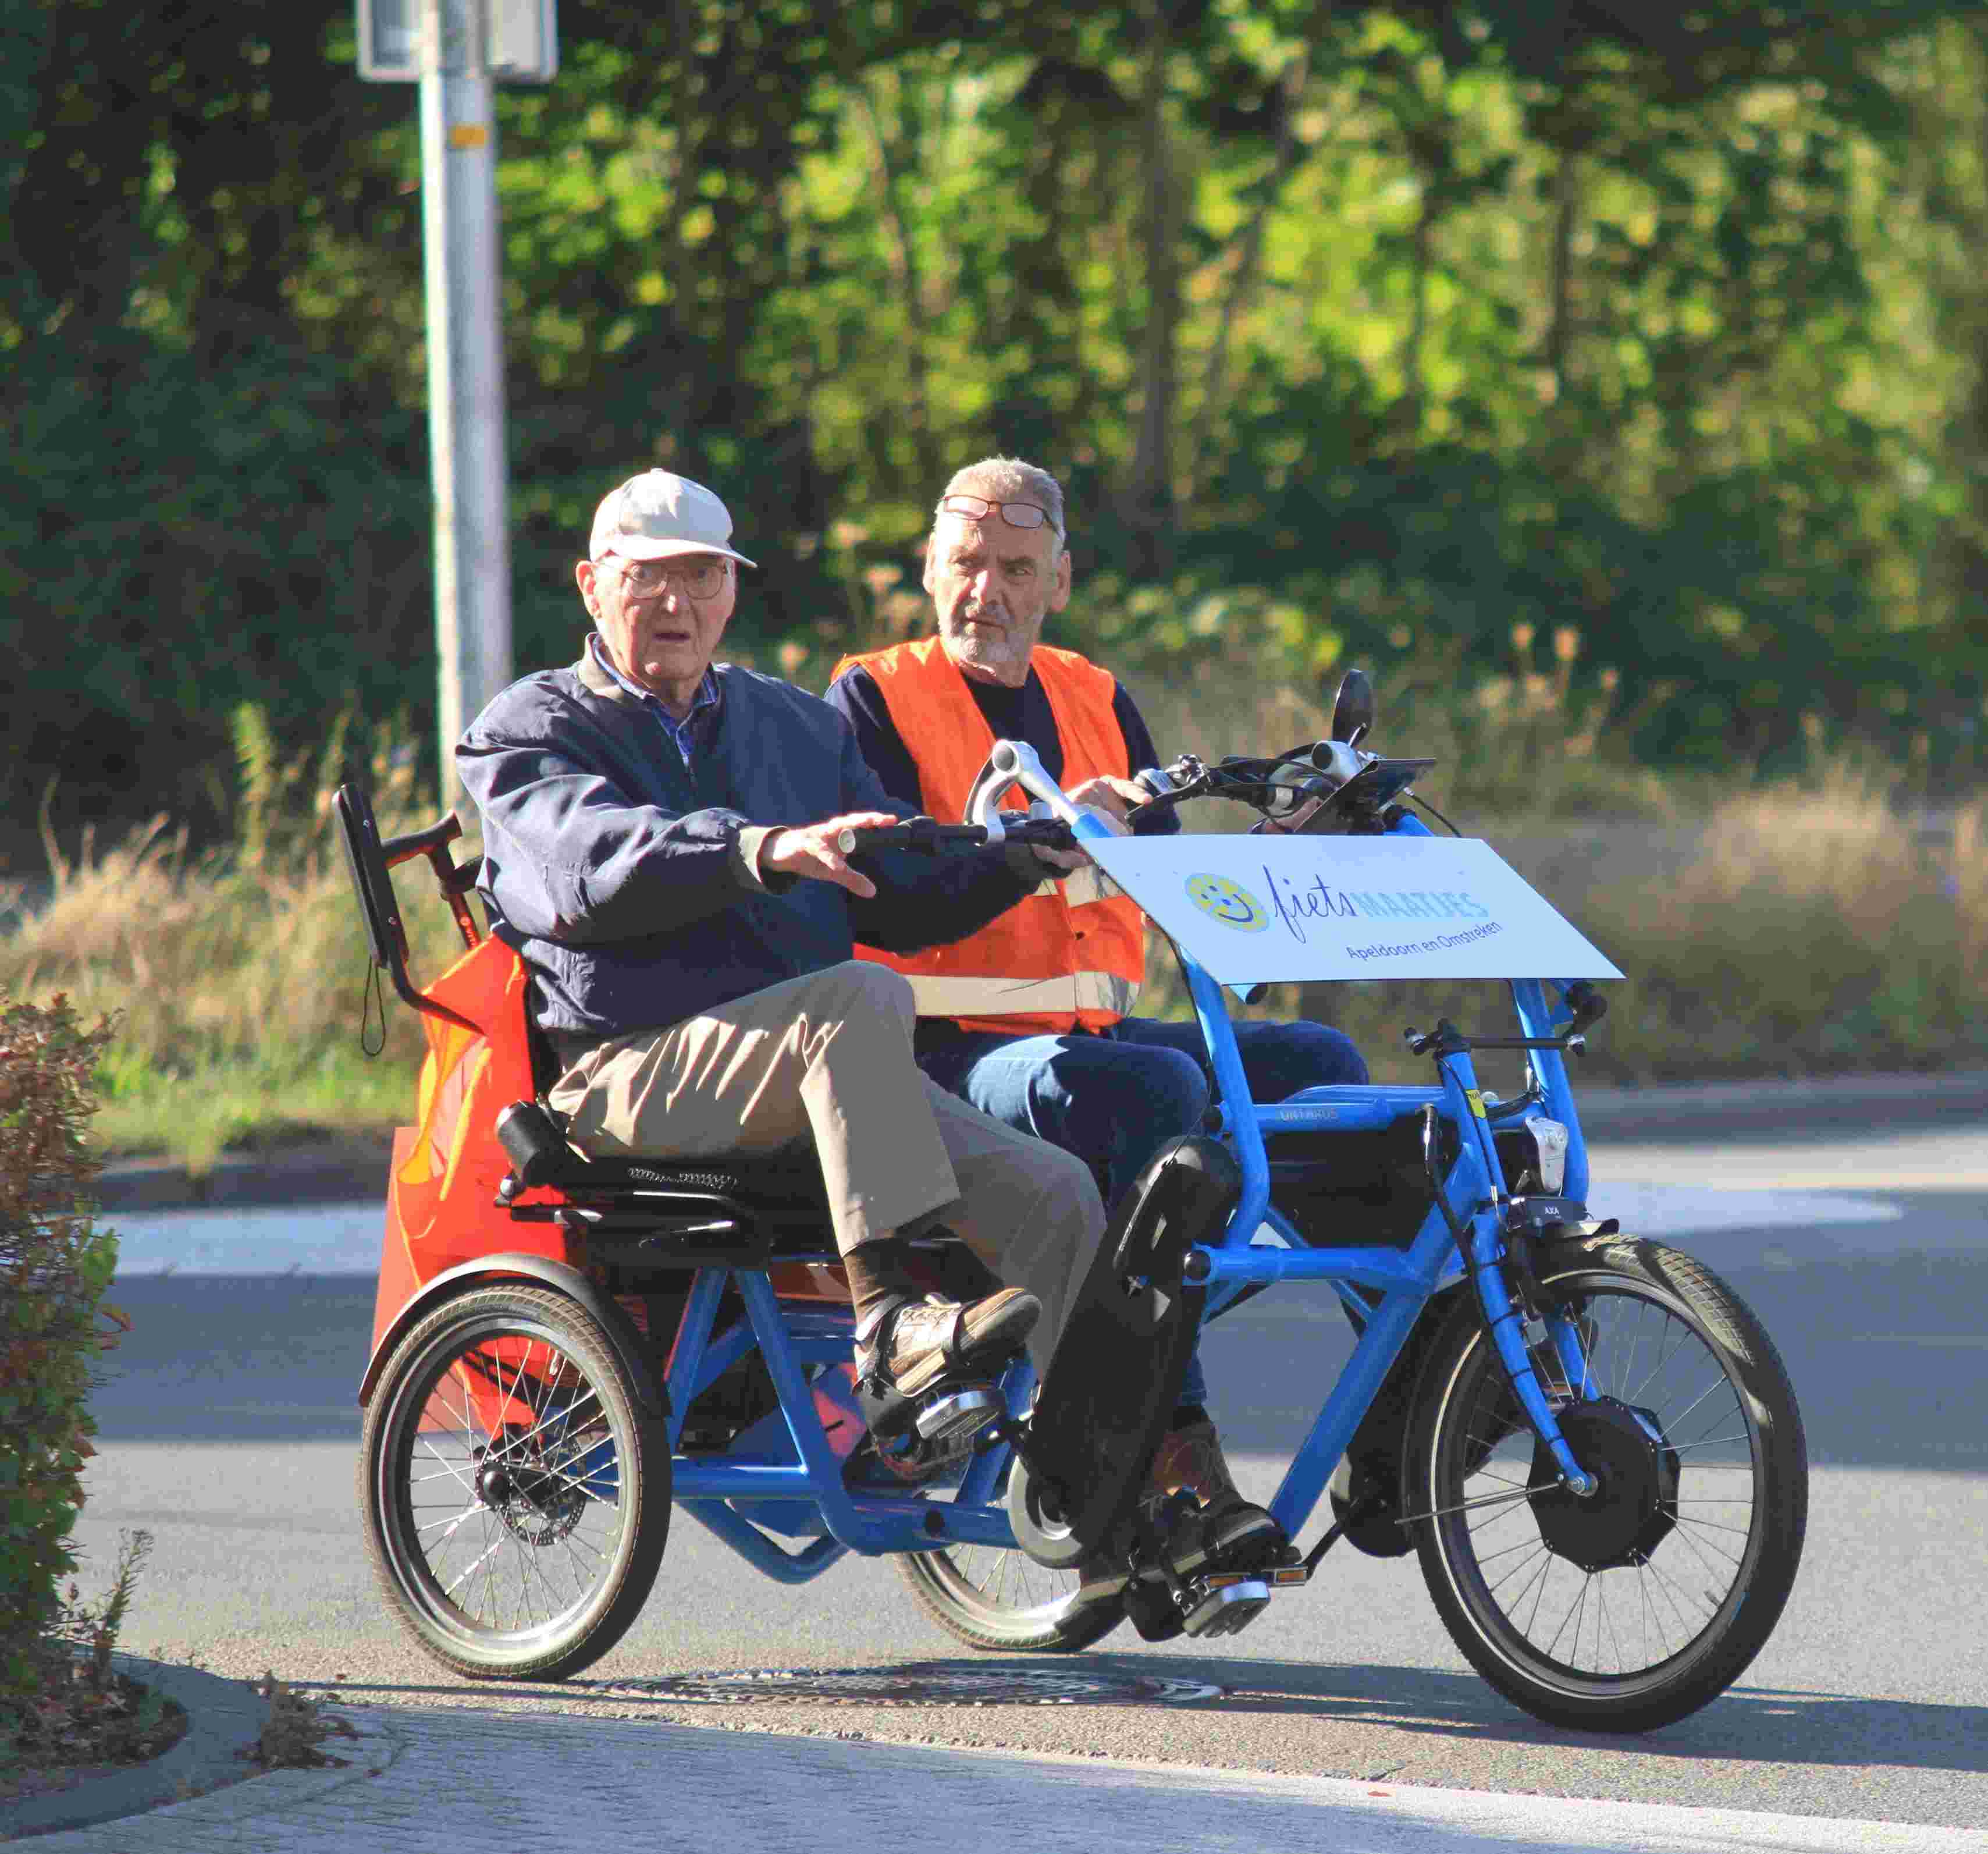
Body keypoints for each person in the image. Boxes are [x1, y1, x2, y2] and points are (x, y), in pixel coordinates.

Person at [457, 467, 1107, 1429]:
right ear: (592, 585)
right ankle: (887, 1329)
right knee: (858, 999)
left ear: (732, 593)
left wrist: (1024, 853)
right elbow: (586, 865)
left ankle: (1118, 1480)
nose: (676, 601)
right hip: (624, 1071)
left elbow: (898, 888)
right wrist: (752, 849)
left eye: (703, 576)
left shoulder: (792, 724)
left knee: (1058, 1192)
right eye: (647, 576)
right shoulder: (530, 727)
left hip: (811, 1065)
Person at [826, 456, 1369, 1559]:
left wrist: (1272, 842)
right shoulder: (873, 696)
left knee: (1321, 1060)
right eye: (967, 564)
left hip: (1085, 1040)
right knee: (1155, 1088)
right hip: (940, 1058)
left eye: (1016, 568)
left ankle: (1400, 1409)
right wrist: (1014, 853)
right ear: (929, 570)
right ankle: (1168, 1450)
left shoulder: (1094, 695)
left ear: (1059, 579)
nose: (987, 590)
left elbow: (1152, 875)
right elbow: (882, 897)